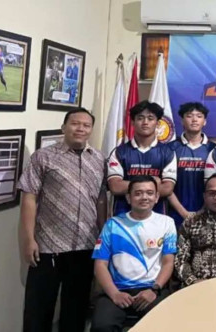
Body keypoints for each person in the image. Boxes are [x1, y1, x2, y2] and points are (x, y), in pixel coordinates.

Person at [17, 108, 107, 332]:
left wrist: (103, 234)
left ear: (91, 130)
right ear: (64, 127)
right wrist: (28, 239)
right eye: (75, 123)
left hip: (85, 245)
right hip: (48, 245)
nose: (80, 128)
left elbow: (101, 199)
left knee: (75, 309)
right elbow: (29, 198)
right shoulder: (43, 157)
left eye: (86, 125)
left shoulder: (99, 159)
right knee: (38, 309)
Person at [91, 176, 176, 332]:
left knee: (164, 325)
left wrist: (154, 289)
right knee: (102, 326)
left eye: (150, 193)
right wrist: (114, 294)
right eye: (138, 193)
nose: (144, 197)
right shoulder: (113, 224)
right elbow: (100, 265)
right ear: (128, 198)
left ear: (157, 197)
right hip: (117, 290)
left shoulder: (167, 223)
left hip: (151, 289)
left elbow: (168, 262)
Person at [107, 101, 177, 216]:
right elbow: (115, 187)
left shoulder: (168, 153)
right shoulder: (119, 152)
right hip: (123, 217)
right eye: (140, 118)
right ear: (133, 122)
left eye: (150, 118)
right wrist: (153, 183)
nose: (145, 122)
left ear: (158, 123)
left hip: (157, 217)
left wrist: (129, 185)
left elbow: (167, 189)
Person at [167, 102, 216, 227]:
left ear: (204, 121)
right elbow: (166, 186)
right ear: (182, 121)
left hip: (208, 214)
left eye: (199, 116)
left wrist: (202, 211)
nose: (194, 120)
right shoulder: (170, 148)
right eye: (189, 116)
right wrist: (184, 213)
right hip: (175, 214)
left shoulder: (214, 149)